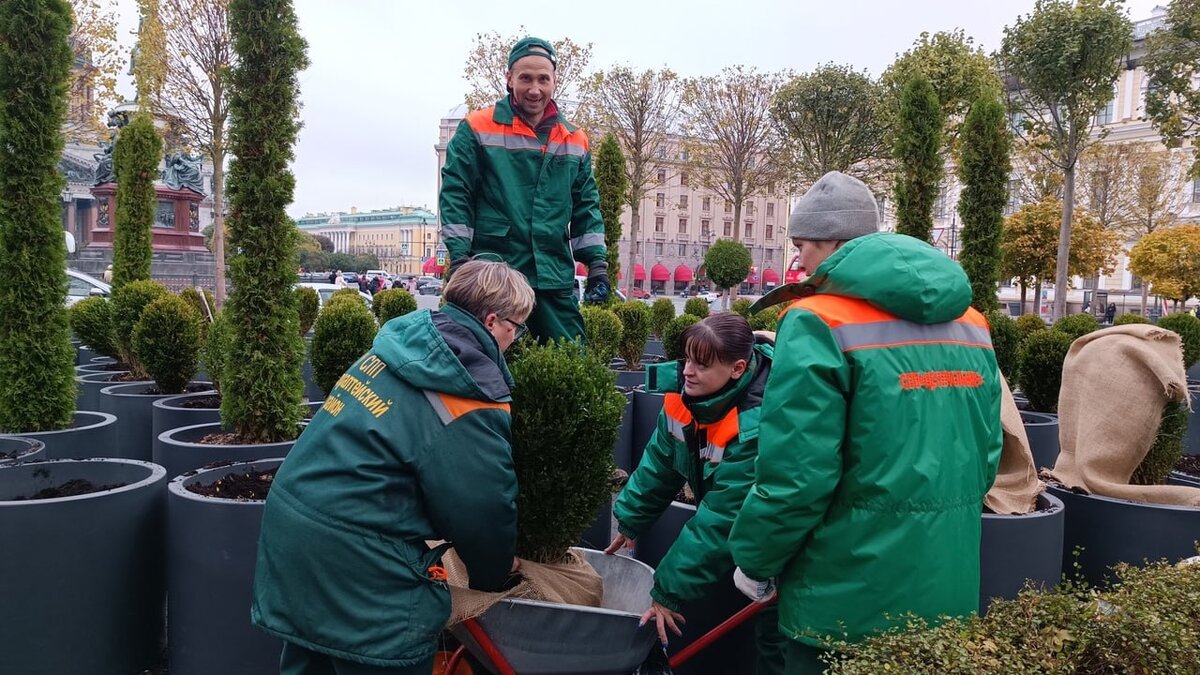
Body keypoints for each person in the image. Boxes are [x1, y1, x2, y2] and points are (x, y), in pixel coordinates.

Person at [727, 171, 1002, 673]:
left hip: (842, 599)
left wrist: (755, 560)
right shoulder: (972, 323)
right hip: (946, 589)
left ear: (832, 243)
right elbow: (986, 455)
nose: (799, 260)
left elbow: (796, 476)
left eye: (803, 245)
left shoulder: (816, 321)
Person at [251, 259, 532, 674]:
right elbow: (482, 509)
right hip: (359, 567)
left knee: (310, 660)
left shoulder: (393, 351)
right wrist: (494, 572)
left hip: (293, 537)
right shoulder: (470, 395)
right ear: (492, 321)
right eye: (517, 326)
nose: (516, 337)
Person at [606, 313, 786, 674]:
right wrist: (628, 520)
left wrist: (668, 591)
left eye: (701, 365)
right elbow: (661, 462)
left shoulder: (755, 425)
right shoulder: (685, 396)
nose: (687, 371)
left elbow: (721, 518)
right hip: (744, 530)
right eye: (687, 359)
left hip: (781, 543)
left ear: (737, 369)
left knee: (777, 637)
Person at [439, 36, 608, 343]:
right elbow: (456, 195)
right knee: (486, 364)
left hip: (551, 273)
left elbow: (586, 205)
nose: (534, 89)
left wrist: (597, 264)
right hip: (494, 275)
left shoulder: (574, 139)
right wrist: (461, 259)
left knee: (569, 358)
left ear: (554, 81)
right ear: (509, 79)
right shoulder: (477, 128)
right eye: (525, 78)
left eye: (543, 79)